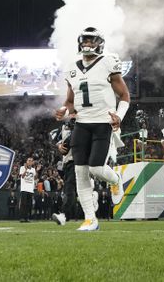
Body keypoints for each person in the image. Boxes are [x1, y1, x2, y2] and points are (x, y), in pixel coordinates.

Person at [54, 27, 130, 232]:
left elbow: (124, 96)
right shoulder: (71, 68)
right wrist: (64, 109)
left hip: (103, 122)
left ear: (100, 43)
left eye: (91, 39)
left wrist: (119, 117)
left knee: (96, 169)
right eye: (85, 39)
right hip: (82, 124)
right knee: (80, 172)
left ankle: (116, 179)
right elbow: (70, 102)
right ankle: (90, 219)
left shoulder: (108, 61)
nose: (87, 43)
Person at [18, 157, 39, 222]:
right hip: (24, 188)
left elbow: (35, 178)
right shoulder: (22, 167)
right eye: (29, 160)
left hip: (30, 189)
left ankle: (27, 218)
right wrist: (26, 169)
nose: (30, 162)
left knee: (29, 205)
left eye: (31, 161)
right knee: (23, 204)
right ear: (26, 161)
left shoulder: (33, 169)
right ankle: (22, 218)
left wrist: (37, 170)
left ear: (32, 162)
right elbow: (22, 176)